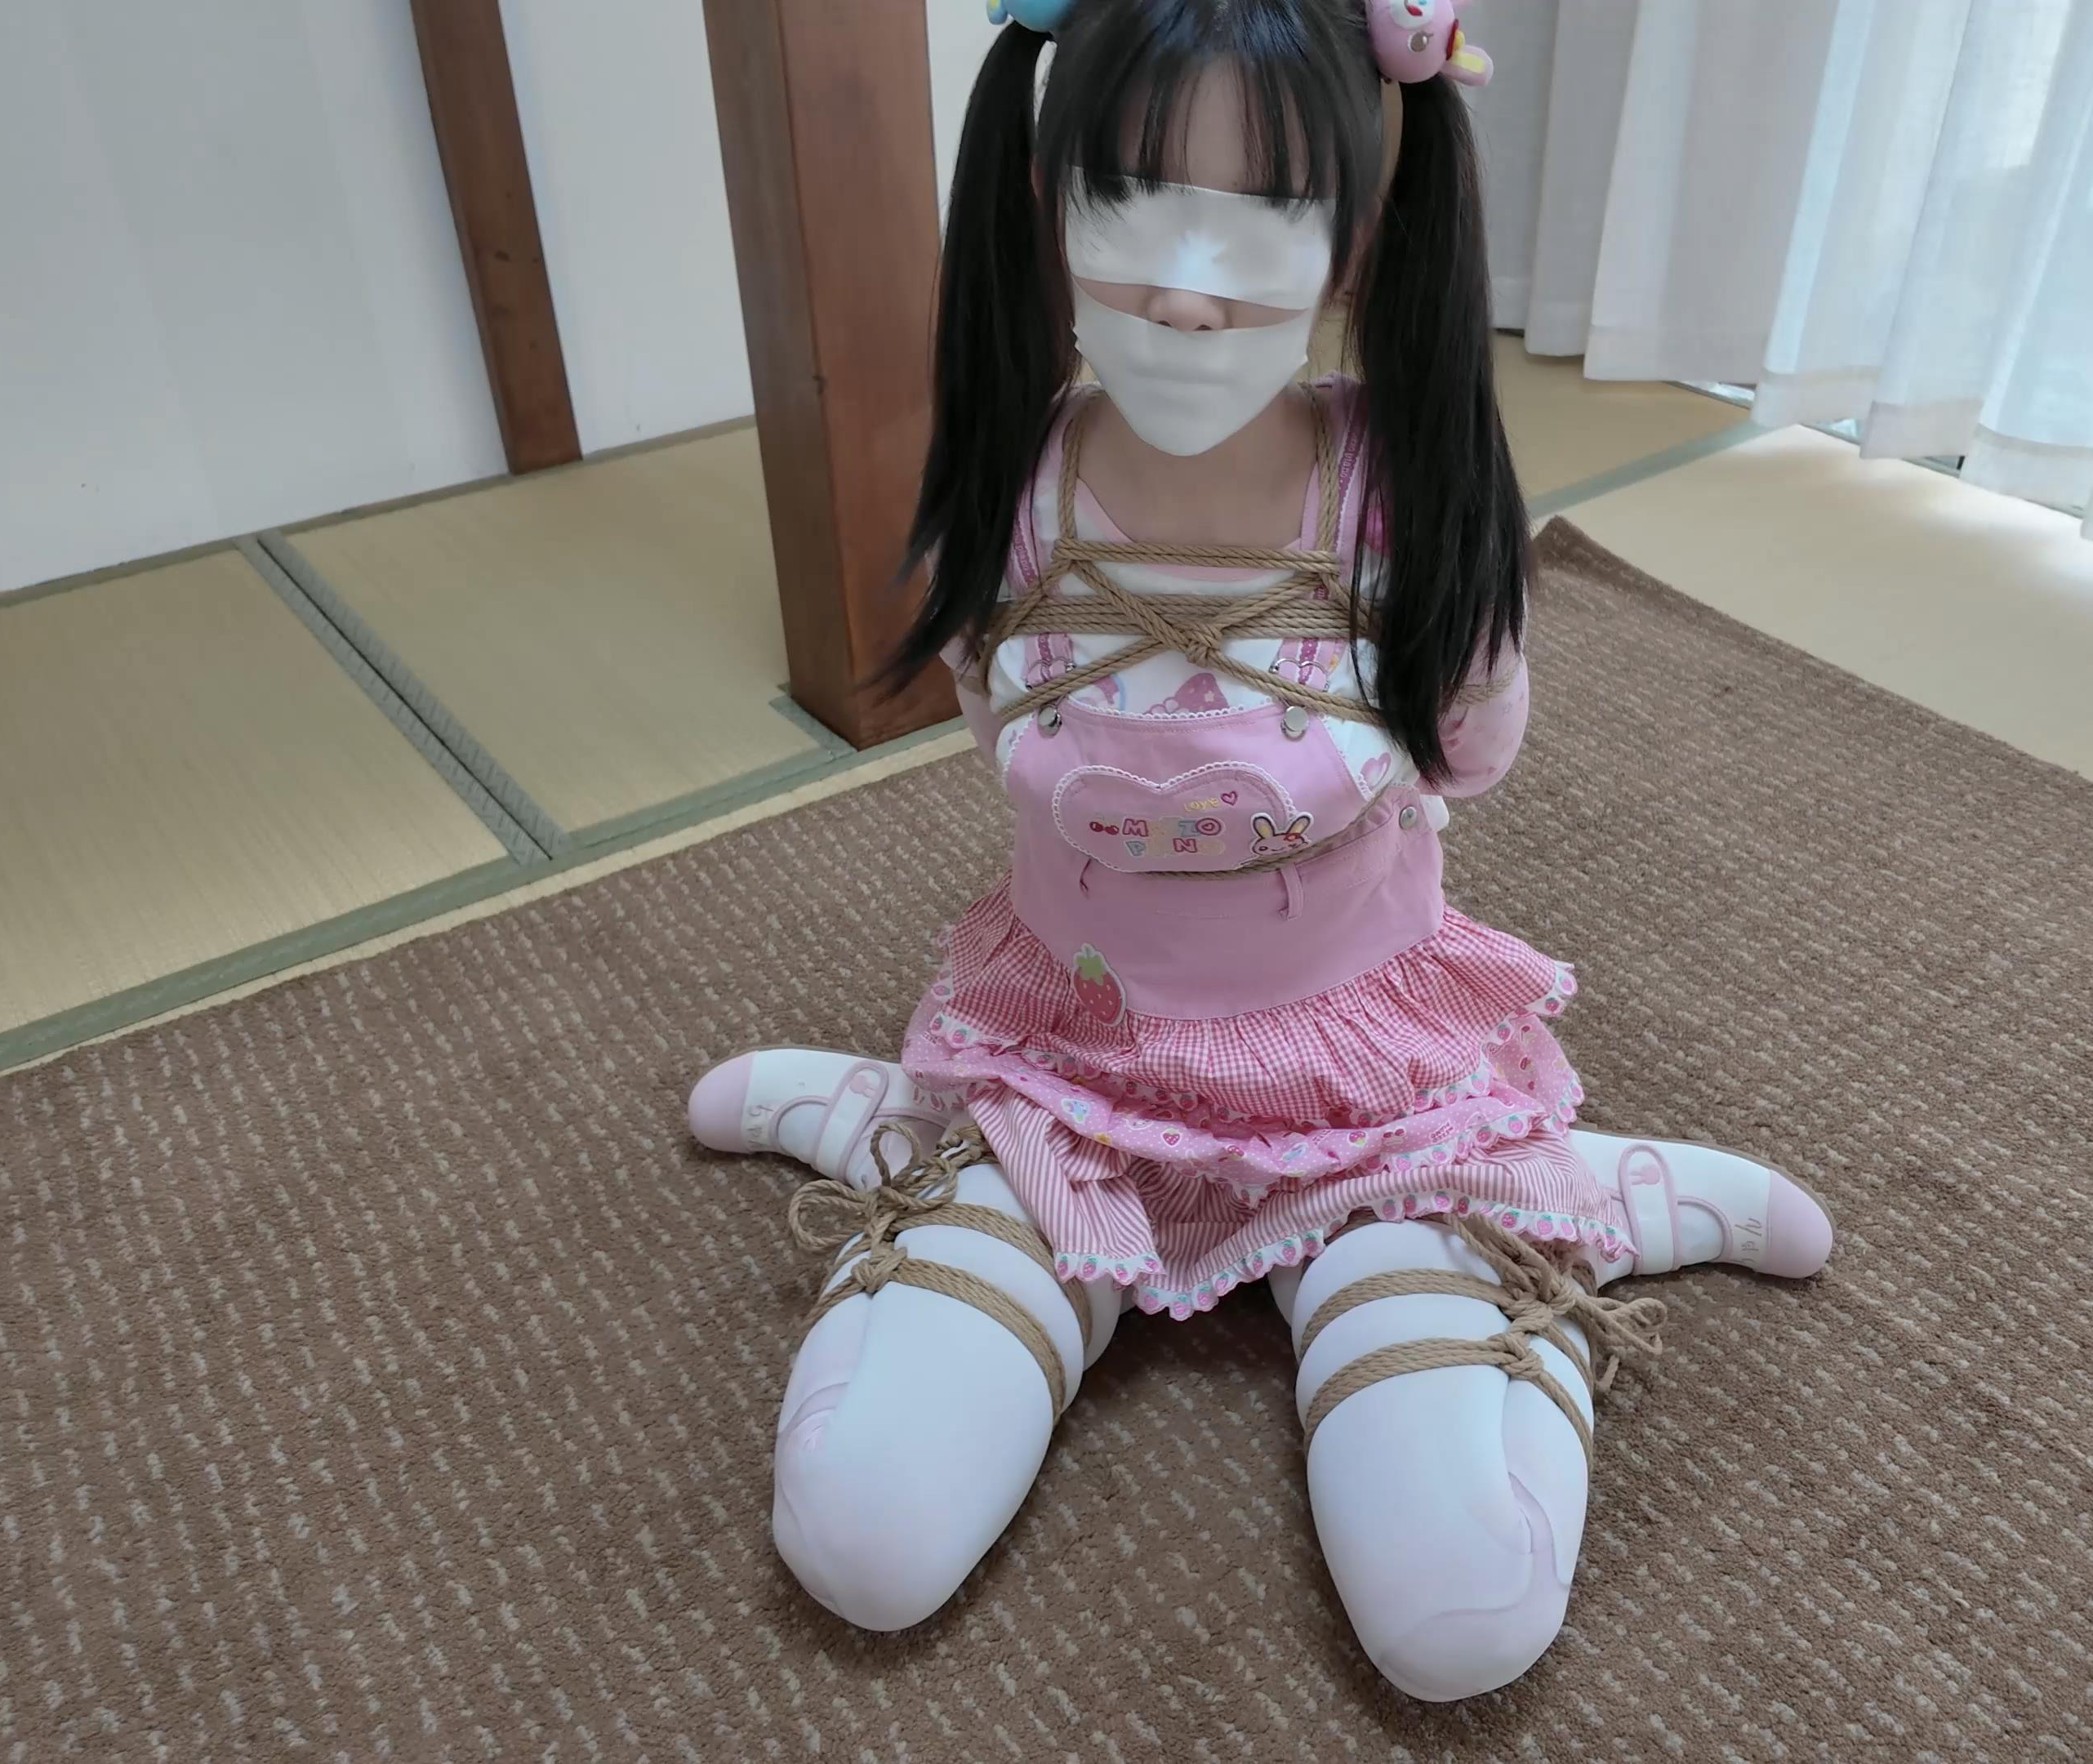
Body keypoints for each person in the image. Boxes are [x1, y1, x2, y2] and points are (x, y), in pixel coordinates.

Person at [685, 0, 1833, 1701]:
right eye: (1132, 196)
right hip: (1068, 1075)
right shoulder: (1018, 483)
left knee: (1457, 1618)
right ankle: (916, 1124)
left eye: (1265, 211)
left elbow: (1466, 745)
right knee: (865, 1541)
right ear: (1048, 201)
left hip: (1369, 1101)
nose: (1187, 288)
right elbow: (1013, 731)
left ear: (1358, 232)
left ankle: (1561, 1195)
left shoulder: (1404, 490)